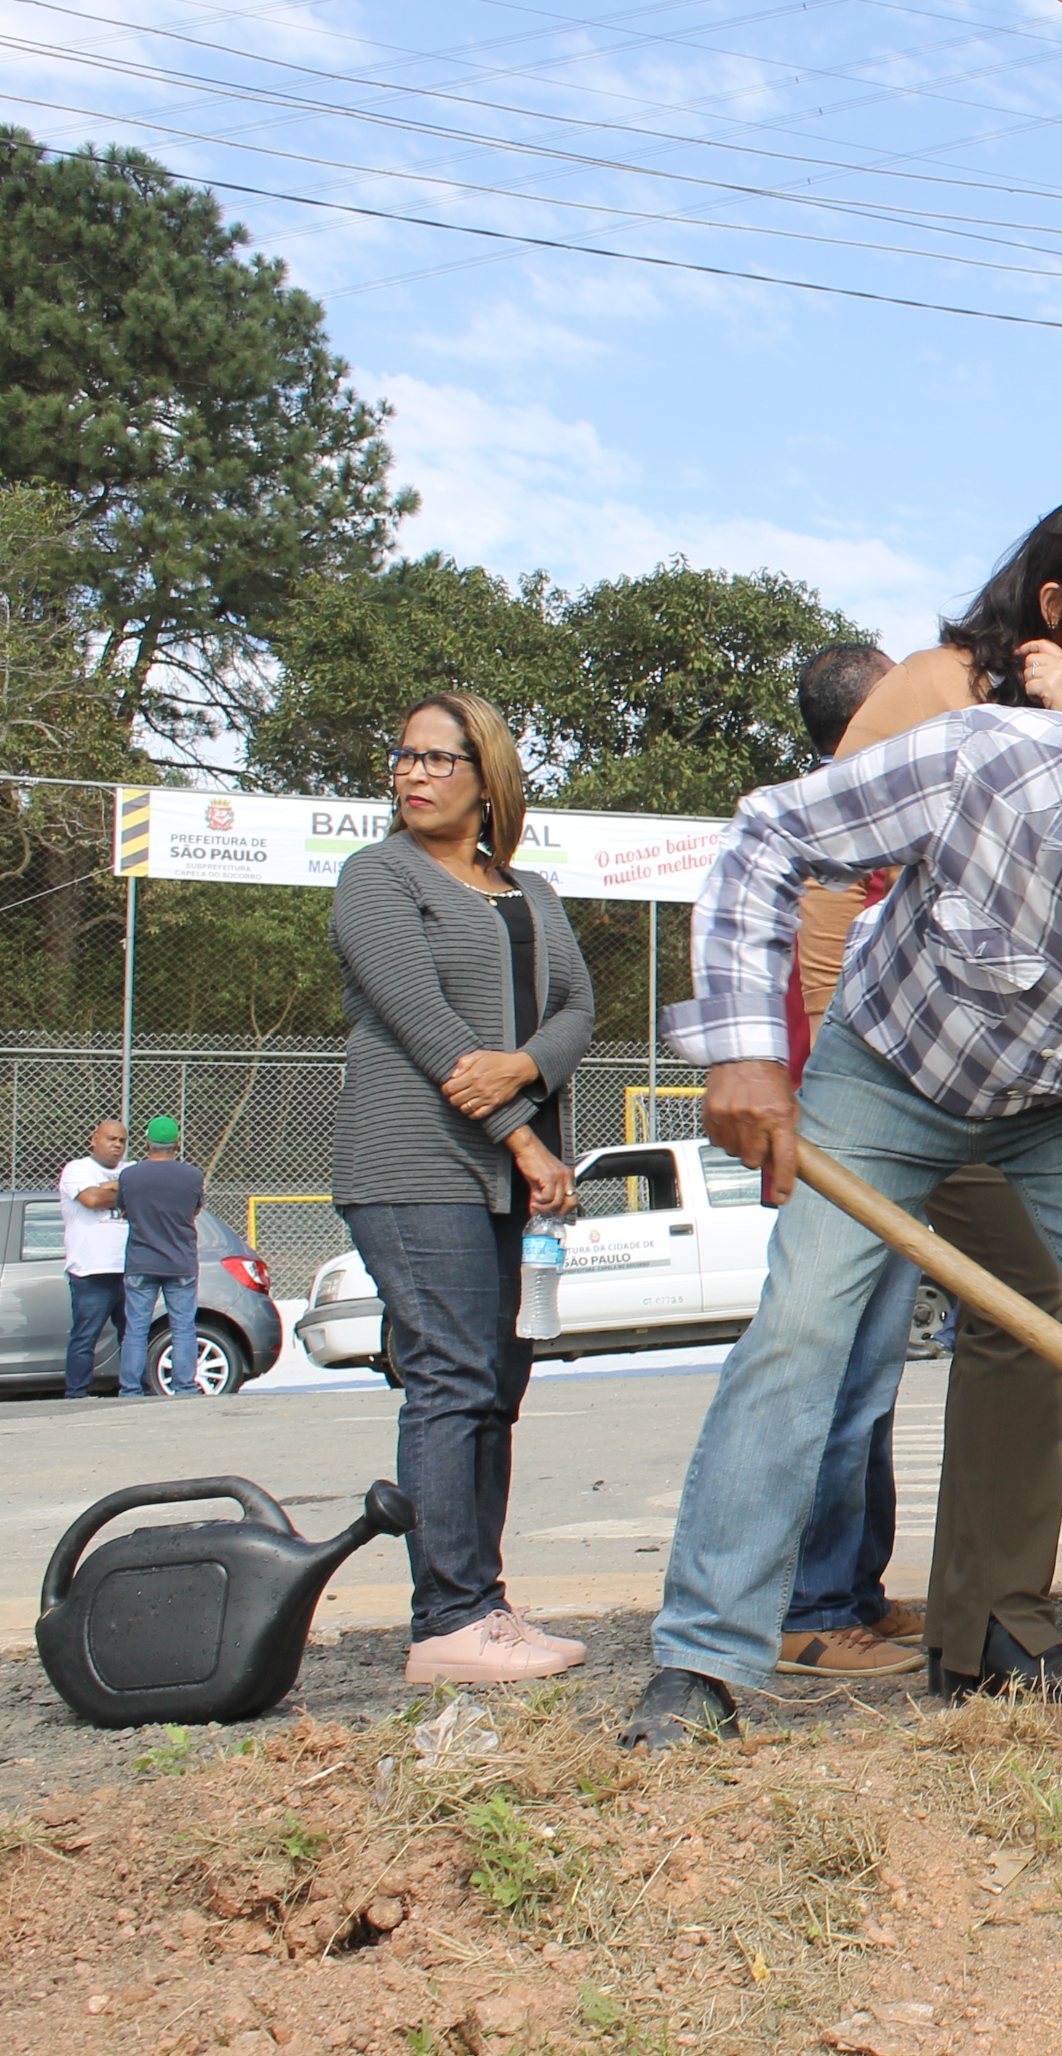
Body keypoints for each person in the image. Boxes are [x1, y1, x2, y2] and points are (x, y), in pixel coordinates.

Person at [631, 639, 1062, 1798]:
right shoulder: (983, 767)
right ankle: (702, 1665)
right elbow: (768, 838)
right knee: (803, 1323)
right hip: (891, 1071)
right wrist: (746, 1048)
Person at [819, 499, 1062, 1702]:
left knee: (1033, 1310)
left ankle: (984, 1628)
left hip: (1033, 1087)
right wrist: (819, 1071)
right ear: (1050, 604)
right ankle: (932, 1619)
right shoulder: (938, 687)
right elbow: (826, 871)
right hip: (901, 1065)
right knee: (1008, 1307)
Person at [331, 691, 593, 1685]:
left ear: (487, 781)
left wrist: (524, 1072)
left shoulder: (527, 891)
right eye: (404, 756)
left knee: (498, 1387)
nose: (414, 773)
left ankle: (483, 1599)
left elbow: (577, 1005)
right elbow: (425, 1022)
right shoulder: (376, 877)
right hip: (414, 1164)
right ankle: (446, 1619)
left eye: (440, 759)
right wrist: (524, 1142)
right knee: (449, 1376)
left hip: (502, 1171)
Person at [769, 640, 928, 1683]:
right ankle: (811, 1606)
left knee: (871, 1373)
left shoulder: (874, 827)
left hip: (884, 1129)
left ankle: (855, 1586)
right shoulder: (822, 832)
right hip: (837, 1136)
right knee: (841, 1378)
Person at [114, 1116, 205, 1397]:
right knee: (183, 1327)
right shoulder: (192, 1175)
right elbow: (195, 1210)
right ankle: (185, 1386)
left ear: (146, 1143)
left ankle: (130, 1389)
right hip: (181, 1262)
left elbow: (123, 1209)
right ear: (177, 1143)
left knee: (136, 1328)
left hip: (142, 1261)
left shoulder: (129, 1175)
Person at [58, 1117, 129, 1400]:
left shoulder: (132, 1170)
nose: (117, 1145)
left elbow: (142, 1196)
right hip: (91, 1270)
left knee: (133, 1335)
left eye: (122, 1141)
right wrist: (123, 1191)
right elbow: (91, 1200)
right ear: (94, 1140)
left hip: (129, 1268)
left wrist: (111, 1188)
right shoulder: (77, 1169)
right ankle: (76, 1394)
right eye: (111, 1139)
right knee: (86, 1336)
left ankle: (136, 1391)